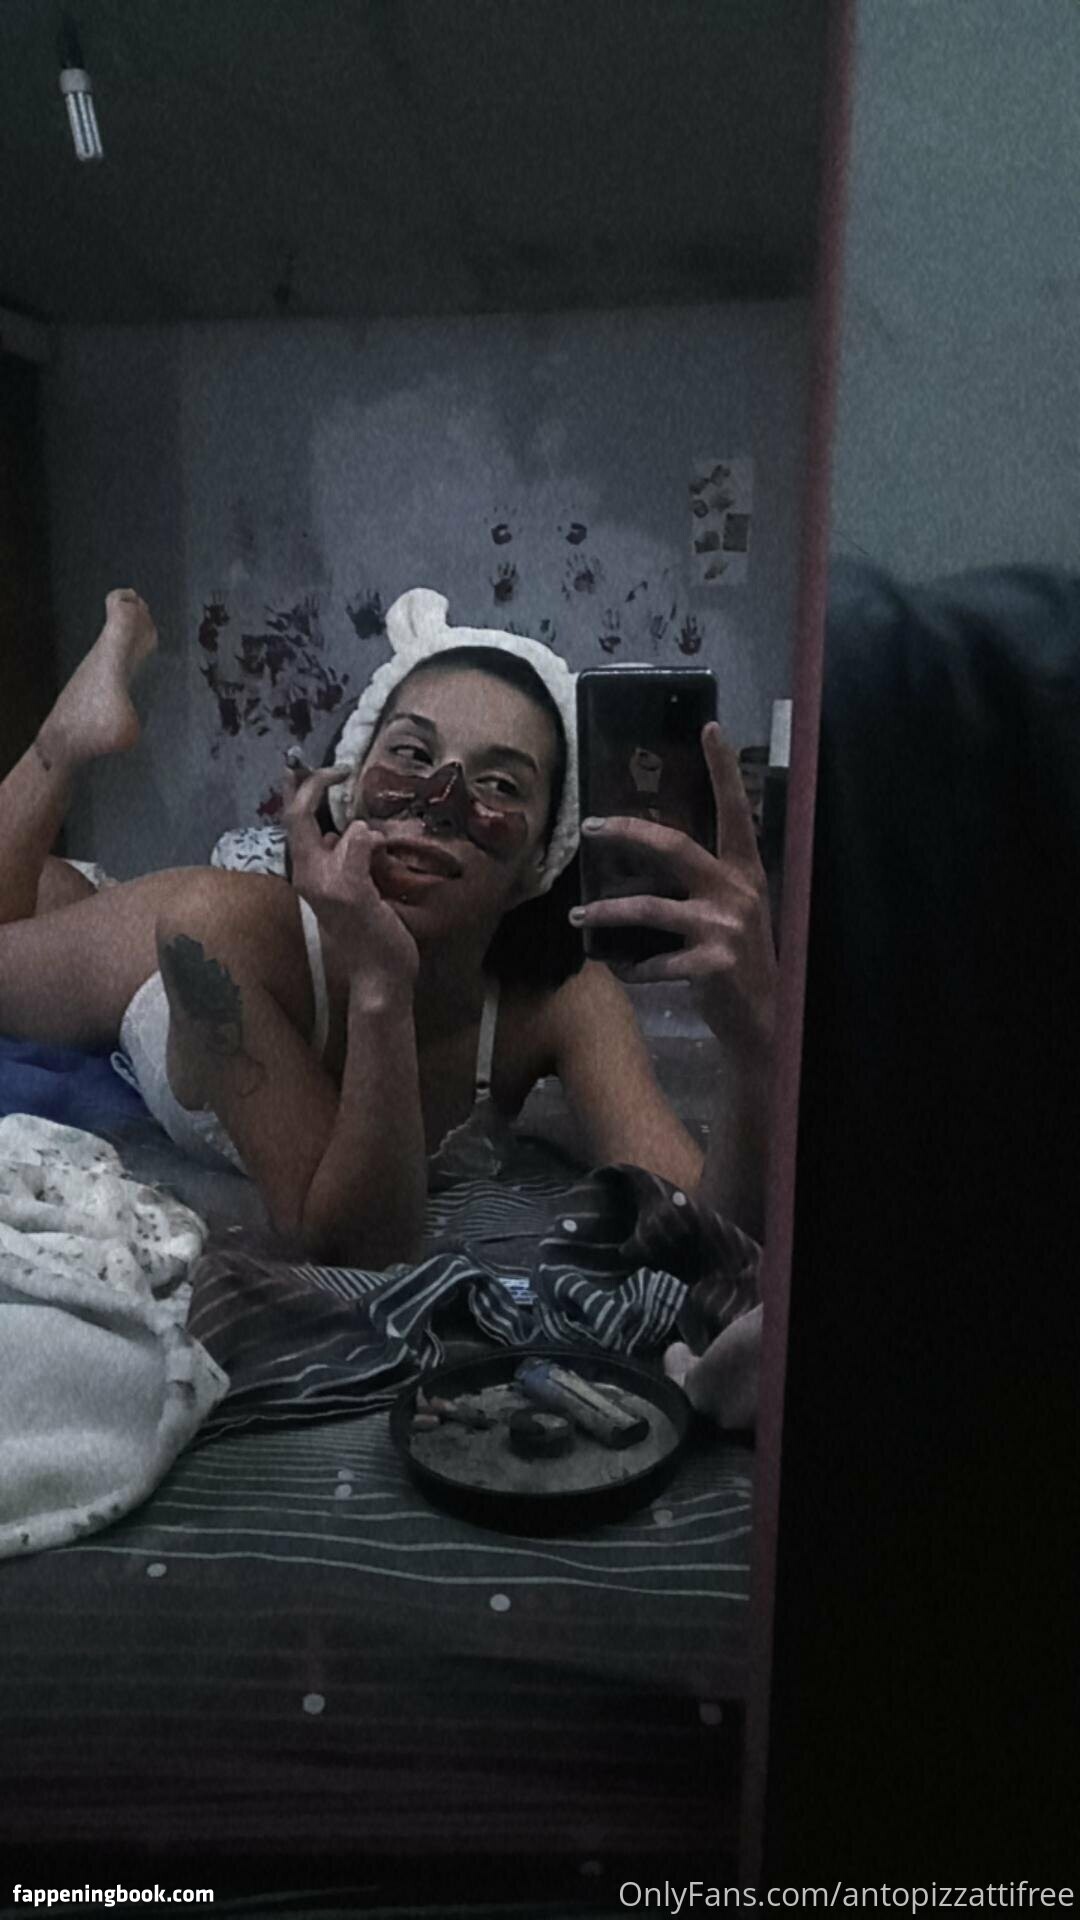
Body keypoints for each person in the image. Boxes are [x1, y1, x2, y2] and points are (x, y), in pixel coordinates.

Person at [0, 585, 776, 1269]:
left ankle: (67, 881)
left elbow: (708, 1228)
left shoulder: (562, 1002)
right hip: (159, 966)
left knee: (57, 891)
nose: (439, 804)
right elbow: (353, 1245)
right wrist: (380, 983)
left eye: (500, 785)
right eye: (410, 753)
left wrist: (752, 1044)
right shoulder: (212, 929)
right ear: (345, 792)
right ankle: (65, 741)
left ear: (542, 859)